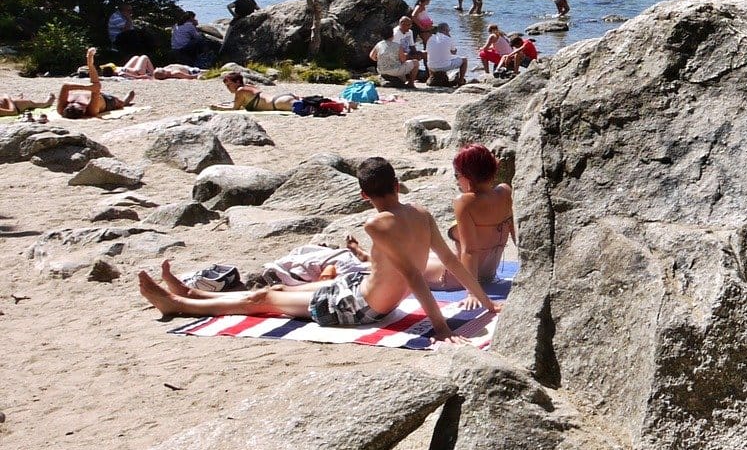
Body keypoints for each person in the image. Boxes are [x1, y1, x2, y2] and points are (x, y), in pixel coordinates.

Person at [134, 157, 494, 341]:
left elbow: (415, 276)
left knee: (264, 299)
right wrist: (487, 302)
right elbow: (452, 260)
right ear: (398, 185)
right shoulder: (421, 213)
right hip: (356, 290)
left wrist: (440, 327)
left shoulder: (376, 223)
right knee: (277, 289)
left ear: (363, 194)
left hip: (361, 308)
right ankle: (192, 292)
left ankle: (180, 305)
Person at [438, 144, 514, 285]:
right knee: (430, 256)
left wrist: (472, 293)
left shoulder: (464, 202)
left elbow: (470, 251)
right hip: (489, 274)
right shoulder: (505, 192)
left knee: (409, 262)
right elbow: (518, 238)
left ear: (467, 176)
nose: (457, 180)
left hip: (460, 278)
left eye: (457, 175)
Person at [56, 47, 135, 119]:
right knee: (120, 103)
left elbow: (65, 86)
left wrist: (88, 87)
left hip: (90, 92)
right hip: (106, 101)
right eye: (83, 107)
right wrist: (90, 63)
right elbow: (96, 85)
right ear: (84, 112)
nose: (83, 105)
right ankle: (125, 101)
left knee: (94, 90)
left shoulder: (61, 108)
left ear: (68, 105)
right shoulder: (91, 110)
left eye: (80, 105)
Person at [213, 70, 295, 112]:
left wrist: (217, 107)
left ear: (237, 82)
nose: (228, 87)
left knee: (305, 109)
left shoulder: (240, 90)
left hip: (278, 103)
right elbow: (237, 104)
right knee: (306, 104)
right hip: (281, 98)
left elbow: (235, 108)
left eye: (229, 85)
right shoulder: (248, 86)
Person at [424, 23, 469, 87]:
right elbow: (454, 52)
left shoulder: (430, 39)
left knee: (431, 58)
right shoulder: (448, 38)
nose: (449, 32)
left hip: (431, 67)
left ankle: (431, 77)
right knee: (464, 60)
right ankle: (461, 81)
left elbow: (428, 52)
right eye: (448, 30)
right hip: (444, 66)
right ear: (445, 30)